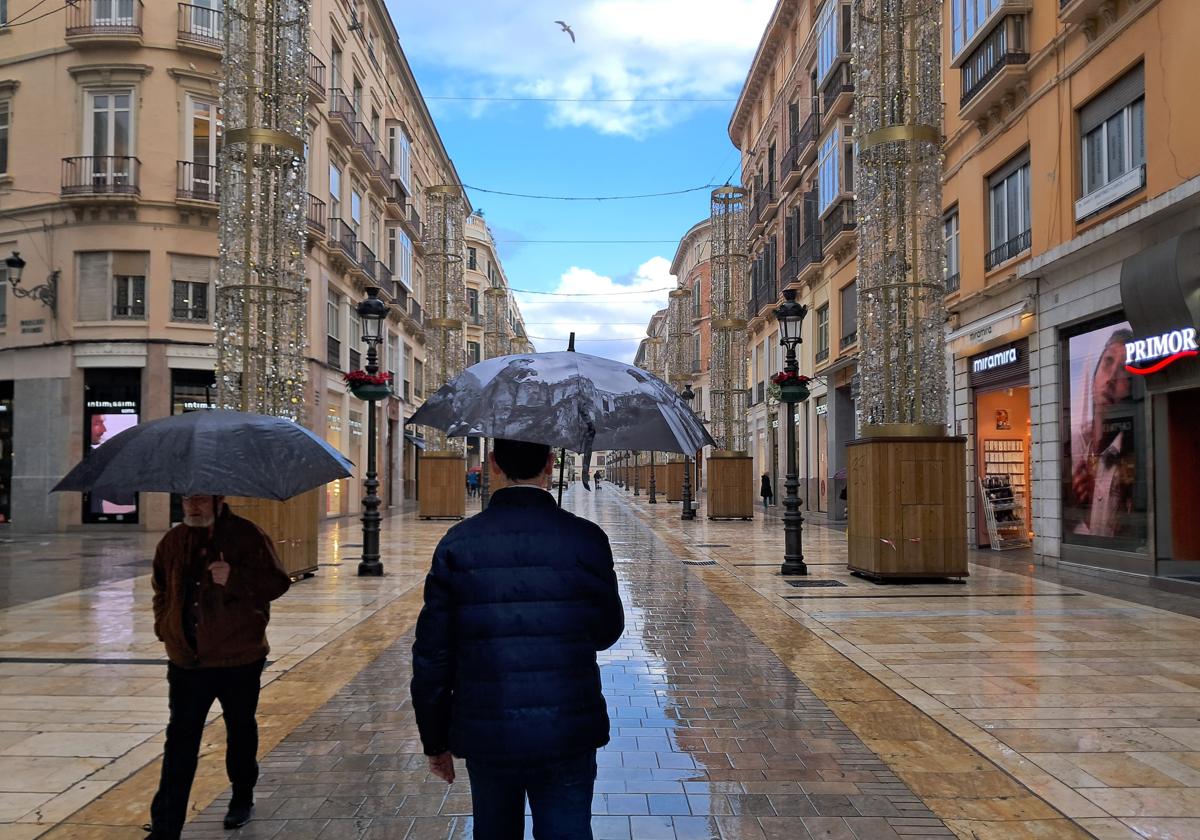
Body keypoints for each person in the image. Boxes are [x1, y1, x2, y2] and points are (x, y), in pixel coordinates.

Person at [411, 438, 624, 840]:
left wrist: (434, 739)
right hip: (567, 726)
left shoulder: (458, 543)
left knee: (494, 830)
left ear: (493, 464)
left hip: (488, 728)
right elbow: (606, 632)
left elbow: (432, 655)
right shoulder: (586, 539)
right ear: (549, 463)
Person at [145, 495, 291, 840]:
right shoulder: (173, 541)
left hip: (238, 659)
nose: (192, 507)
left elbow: (277, 583)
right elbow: (160, 590)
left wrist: (235, 578)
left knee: (239, 729)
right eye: (186, 499)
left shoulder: (246, 536)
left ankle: (242, 794)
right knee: (180, 741)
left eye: (199, 499)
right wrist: (164, 628)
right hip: (187, 661)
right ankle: (166, 826)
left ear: (218, 500)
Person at [1070, 328, 1137, 538]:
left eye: (1124, 371)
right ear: (1095, 376)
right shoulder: (1075, 444)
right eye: (1108, 362)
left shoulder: (1129, 455)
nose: (1111, 379)